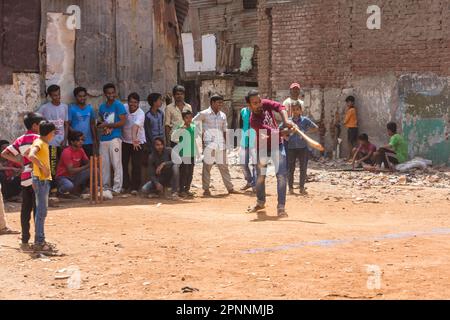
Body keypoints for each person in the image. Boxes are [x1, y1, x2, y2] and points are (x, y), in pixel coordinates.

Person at [246, 90, 293, 217]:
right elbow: (272, 132)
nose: (259, 104)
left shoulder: (265, 104)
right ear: (249, 106)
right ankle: (260, 202)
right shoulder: (253, 121)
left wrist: (286, 120)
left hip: (277, 144)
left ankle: (281, 207)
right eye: (255, 103)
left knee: (282, 176)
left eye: (259, 101)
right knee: (260, 177)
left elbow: (280, 107)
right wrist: (286, 131)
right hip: (262, 147)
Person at [1, 112, 44, 246]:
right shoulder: (40, 138)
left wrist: (20, 162)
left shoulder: (21, 139)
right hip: (37, 176)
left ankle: (25, 237)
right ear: (35, 125)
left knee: (26, 207)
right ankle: (39, 238)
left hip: (25, 176)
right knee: (38, 208)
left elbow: (4, 153)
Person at [193, 94, 236, 196]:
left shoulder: (223, 115)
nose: (221, 104)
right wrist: (201, 133)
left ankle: (230, 188)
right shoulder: (204, 113)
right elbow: (193, 122)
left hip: (221, 145)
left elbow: (225, 130)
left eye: (222, 102)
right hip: (209, 145)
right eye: (218, 102)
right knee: (207, 168)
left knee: (224, 167)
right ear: (212, 103)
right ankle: (206, 189)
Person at [28, 120, 57, 253]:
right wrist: (42, 168)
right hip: (41, 180)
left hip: (40, 180)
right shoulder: (40, 143)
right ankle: (39, 241)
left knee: (41, 212)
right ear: (50, 133)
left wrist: (35, 169)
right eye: (53, 133)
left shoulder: (40, 142)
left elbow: (27, 154)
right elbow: (31, 155)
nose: (54, 135)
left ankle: (40, 240)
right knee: (41, 212)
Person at [97, 83, 127, 195]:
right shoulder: (102, 107)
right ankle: (105, 187)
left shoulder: (119, 105)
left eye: (113, 93)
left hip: (115, 138)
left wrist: (108, 125)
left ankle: (117, 188)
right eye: (109, 93)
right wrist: (101, 125)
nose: (111, 95)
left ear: (115, 93)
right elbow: (101, 120)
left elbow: (123, 122)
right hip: (104, 138)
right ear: (105, 94)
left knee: (116, 163)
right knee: (104, 164)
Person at [38, 85, 69, 190]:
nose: (57, 97)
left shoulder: (64, 107)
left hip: (62, 143)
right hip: (51, 144)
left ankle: (62, 188)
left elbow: (66, 124)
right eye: (55, 95)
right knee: (52, 165)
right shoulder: (44, 108)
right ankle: (52, 189)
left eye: (59, 94)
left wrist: (65, 140)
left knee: (63, 166)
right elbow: (37, 123)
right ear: (50, 96)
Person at [287, 101, 318, 195]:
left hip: (303, 148)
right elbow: (281, 130)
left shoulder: (305, 120)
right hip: (291, 147)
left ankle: (301, 188)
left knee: (303, 168)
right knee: (290, 168)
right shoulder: (288, 121)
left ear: (300, 110)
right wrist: (287, 132)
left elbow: (316, 127)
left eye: (297, 109)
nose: (295, 111)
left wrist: (305, 131)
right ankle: (291, 188)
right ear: (291, 110)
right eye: (293, 109)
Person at [122, 92, 146, 195]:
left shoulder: (141, 113)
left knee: (136, 165)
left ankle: (135, 187)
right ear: (128, 102)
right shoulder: (124, 108)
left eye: (135, 102)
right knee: (123, 164)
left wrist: (135, 140)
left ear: (138, 103)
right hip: (124, 141)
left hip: (138, 142)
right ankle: (125, 185)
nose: (133, 104)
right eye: (131, 102)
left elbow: (135, 127)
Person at [55, 131, 90, 196]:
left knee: (94, 170)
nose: (81, 142)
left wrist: (92, 163)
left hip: (74, 176)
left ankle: (85, 189)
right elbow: (70, 171)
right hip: (63, 177)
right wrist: (87, 166)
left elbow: (88, 162)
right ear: (72, 142)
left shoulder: (81, 150)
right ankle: (60, 192)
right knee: (69, 185)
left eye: (82, 140)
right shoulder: (67, 152)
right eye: (78, 140)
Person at [172, 110, 196, 198]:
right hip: (184, 153)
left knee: (190, 172)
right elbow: (174, 138)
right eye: (187, 117)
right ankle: (181, 190)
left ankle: (187, 189)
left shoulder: (193, 127)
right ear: (183, 118)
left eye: (190, 117)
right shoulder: (181, 127)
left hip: (192, 152)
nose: (189, 119)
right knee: (184, 172)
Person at [68, 87, 97, 157]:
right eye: (80, 96)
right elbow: (67, 125)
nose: (82, 98)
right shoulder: (72, 109)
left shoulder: (90, 108)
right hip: (76, 142)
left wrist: (95, 139)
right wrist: (76, 134)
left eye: (84, 96)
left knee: (89, 162)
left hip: (88, 141)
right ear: (75, 97)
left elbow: (92, 124)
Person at [239, 105, 257, 192]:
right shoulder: (243, 111)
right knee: (243, 163)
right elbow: (240, 124)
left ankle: (255, 184)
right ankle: (249, 181)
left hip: (255, 141)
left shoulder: (258, 110)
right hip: (244, 140)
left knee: (255, 164)